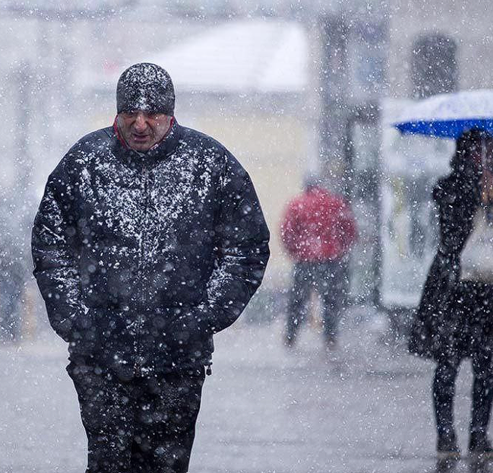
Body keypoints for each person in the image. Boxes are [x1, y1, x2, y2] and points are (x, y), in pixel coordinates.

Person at [31, 63, 270, 473]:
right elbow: (51, 244)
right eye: (131, 114)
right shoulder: (83, 164)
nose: (140, 124)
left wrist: (203, 317)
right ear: (117, 112)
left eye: (152, 114)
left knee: (165, 466)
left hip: (178, 360)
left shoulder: (210, 165)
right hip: (100, 357)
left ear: (170, 114)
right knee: (108, 463)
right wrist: (74, 318)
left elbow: (246, 249)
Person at [409, 128, 493, 461]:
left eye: (489, 150)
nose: (483, 157)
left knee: (485, 367)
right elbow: (452, 233)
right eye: (477, 150)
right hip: (453, 287)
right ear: (464, 153)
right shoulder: (447, 187)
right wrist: (477, 194)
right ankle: (446, 436)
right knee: (447, 364)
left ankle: (479, 436)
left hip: (489, 288)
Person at [280, 172, 357, 349]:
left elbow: (287, 232)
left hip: (304, 260)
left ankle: (291, 336)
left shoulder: (297, 205)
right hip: (330, 260)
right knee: (330, 301)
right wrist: (340, 249)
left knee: (298, 301)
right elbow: (349, 230)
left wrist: (295, 251)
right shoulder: (336, 204)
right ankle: (330, 338)